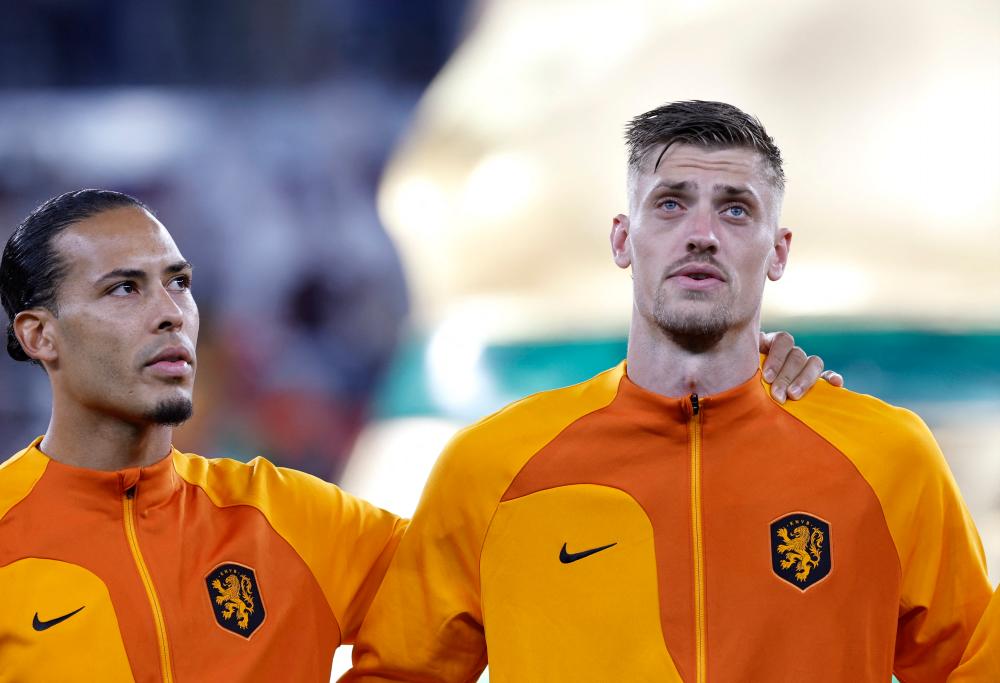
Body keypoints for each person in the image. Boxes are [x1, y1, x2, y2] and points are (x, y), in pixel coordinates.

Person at [0, 188, 828, 681]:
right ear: (39, 335)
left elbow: (533, 564)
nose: (170, 313)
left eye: (178, 283)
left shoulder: (289, 521)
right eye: (122, 289)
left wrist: (719, 403)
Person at [344, 101, 993, 682]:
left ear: (779, 251)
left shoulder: (887, 456)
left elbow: (975, 662)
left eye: (736, 208)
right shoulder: (492, 467)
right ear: (625, 239)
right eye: (671, 202)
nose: (702, 233)